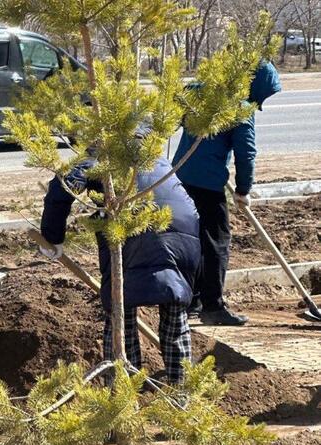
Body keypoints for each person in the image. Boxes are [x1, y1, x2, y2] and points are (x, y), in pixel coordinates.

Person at [40, 143, 200, 385]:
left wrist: (53, 238)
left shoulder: (100, 153)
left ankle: (123, 392)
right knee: (174, 307)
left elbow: (61, 188)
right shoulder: (153, 152)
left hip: (131, 231)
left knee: (120, 314)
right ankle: (183, 392)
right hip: (183, 227)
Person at [172, 61, 281, 326]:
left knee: (193, 240)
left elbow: (175, 108)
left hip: (178, 178)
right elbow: (246, 154)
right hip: (207, 185)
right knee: (216, 242)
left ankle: (193, 300)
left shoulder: (201, 90)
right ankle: (213, 306)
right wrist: (243, 190)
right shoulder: (241, 108)